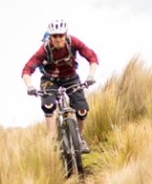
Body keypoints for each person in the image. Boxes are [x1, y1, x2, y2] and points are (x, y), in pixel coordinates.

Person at [22, 19, 99, 152]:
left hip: (71, 78)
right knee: (49, 105)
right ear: (50, 37)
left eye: (61, 35)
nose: (58, 39)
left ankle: (79, 140)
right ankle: (53, 141)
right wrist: (29, 86)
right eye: (54, 36)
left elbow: (92, 57)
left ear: (65, 35)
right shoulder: (44, 50)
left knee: (82, 110)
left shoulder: (73, 42)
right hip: (50, 80)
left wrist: (91, 76)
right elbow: (27, 69)